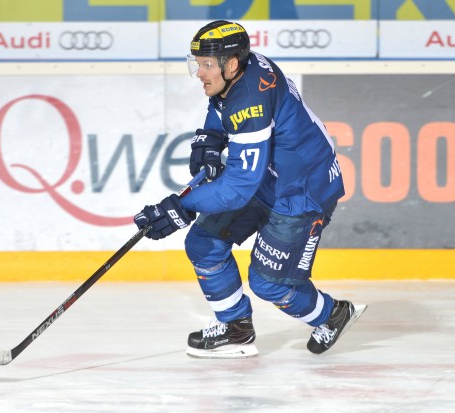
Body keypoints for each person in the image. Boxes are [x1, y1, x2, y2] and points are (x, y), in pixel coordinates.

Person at [134, 20, 366, 358]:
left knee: (268, 284)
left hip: (300, 193)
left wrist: (181, 206)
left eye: (206, 65)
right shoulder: (244, 66)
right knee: (203, 244)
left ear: (230, 64)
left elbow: (237, 188)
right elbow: (222, 104)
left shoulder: (251, 100)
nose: (200, 73)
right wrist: (213, 136)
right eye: (197, 63)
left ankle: (333, 313)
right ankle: (235, 328)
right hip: (269, 178)